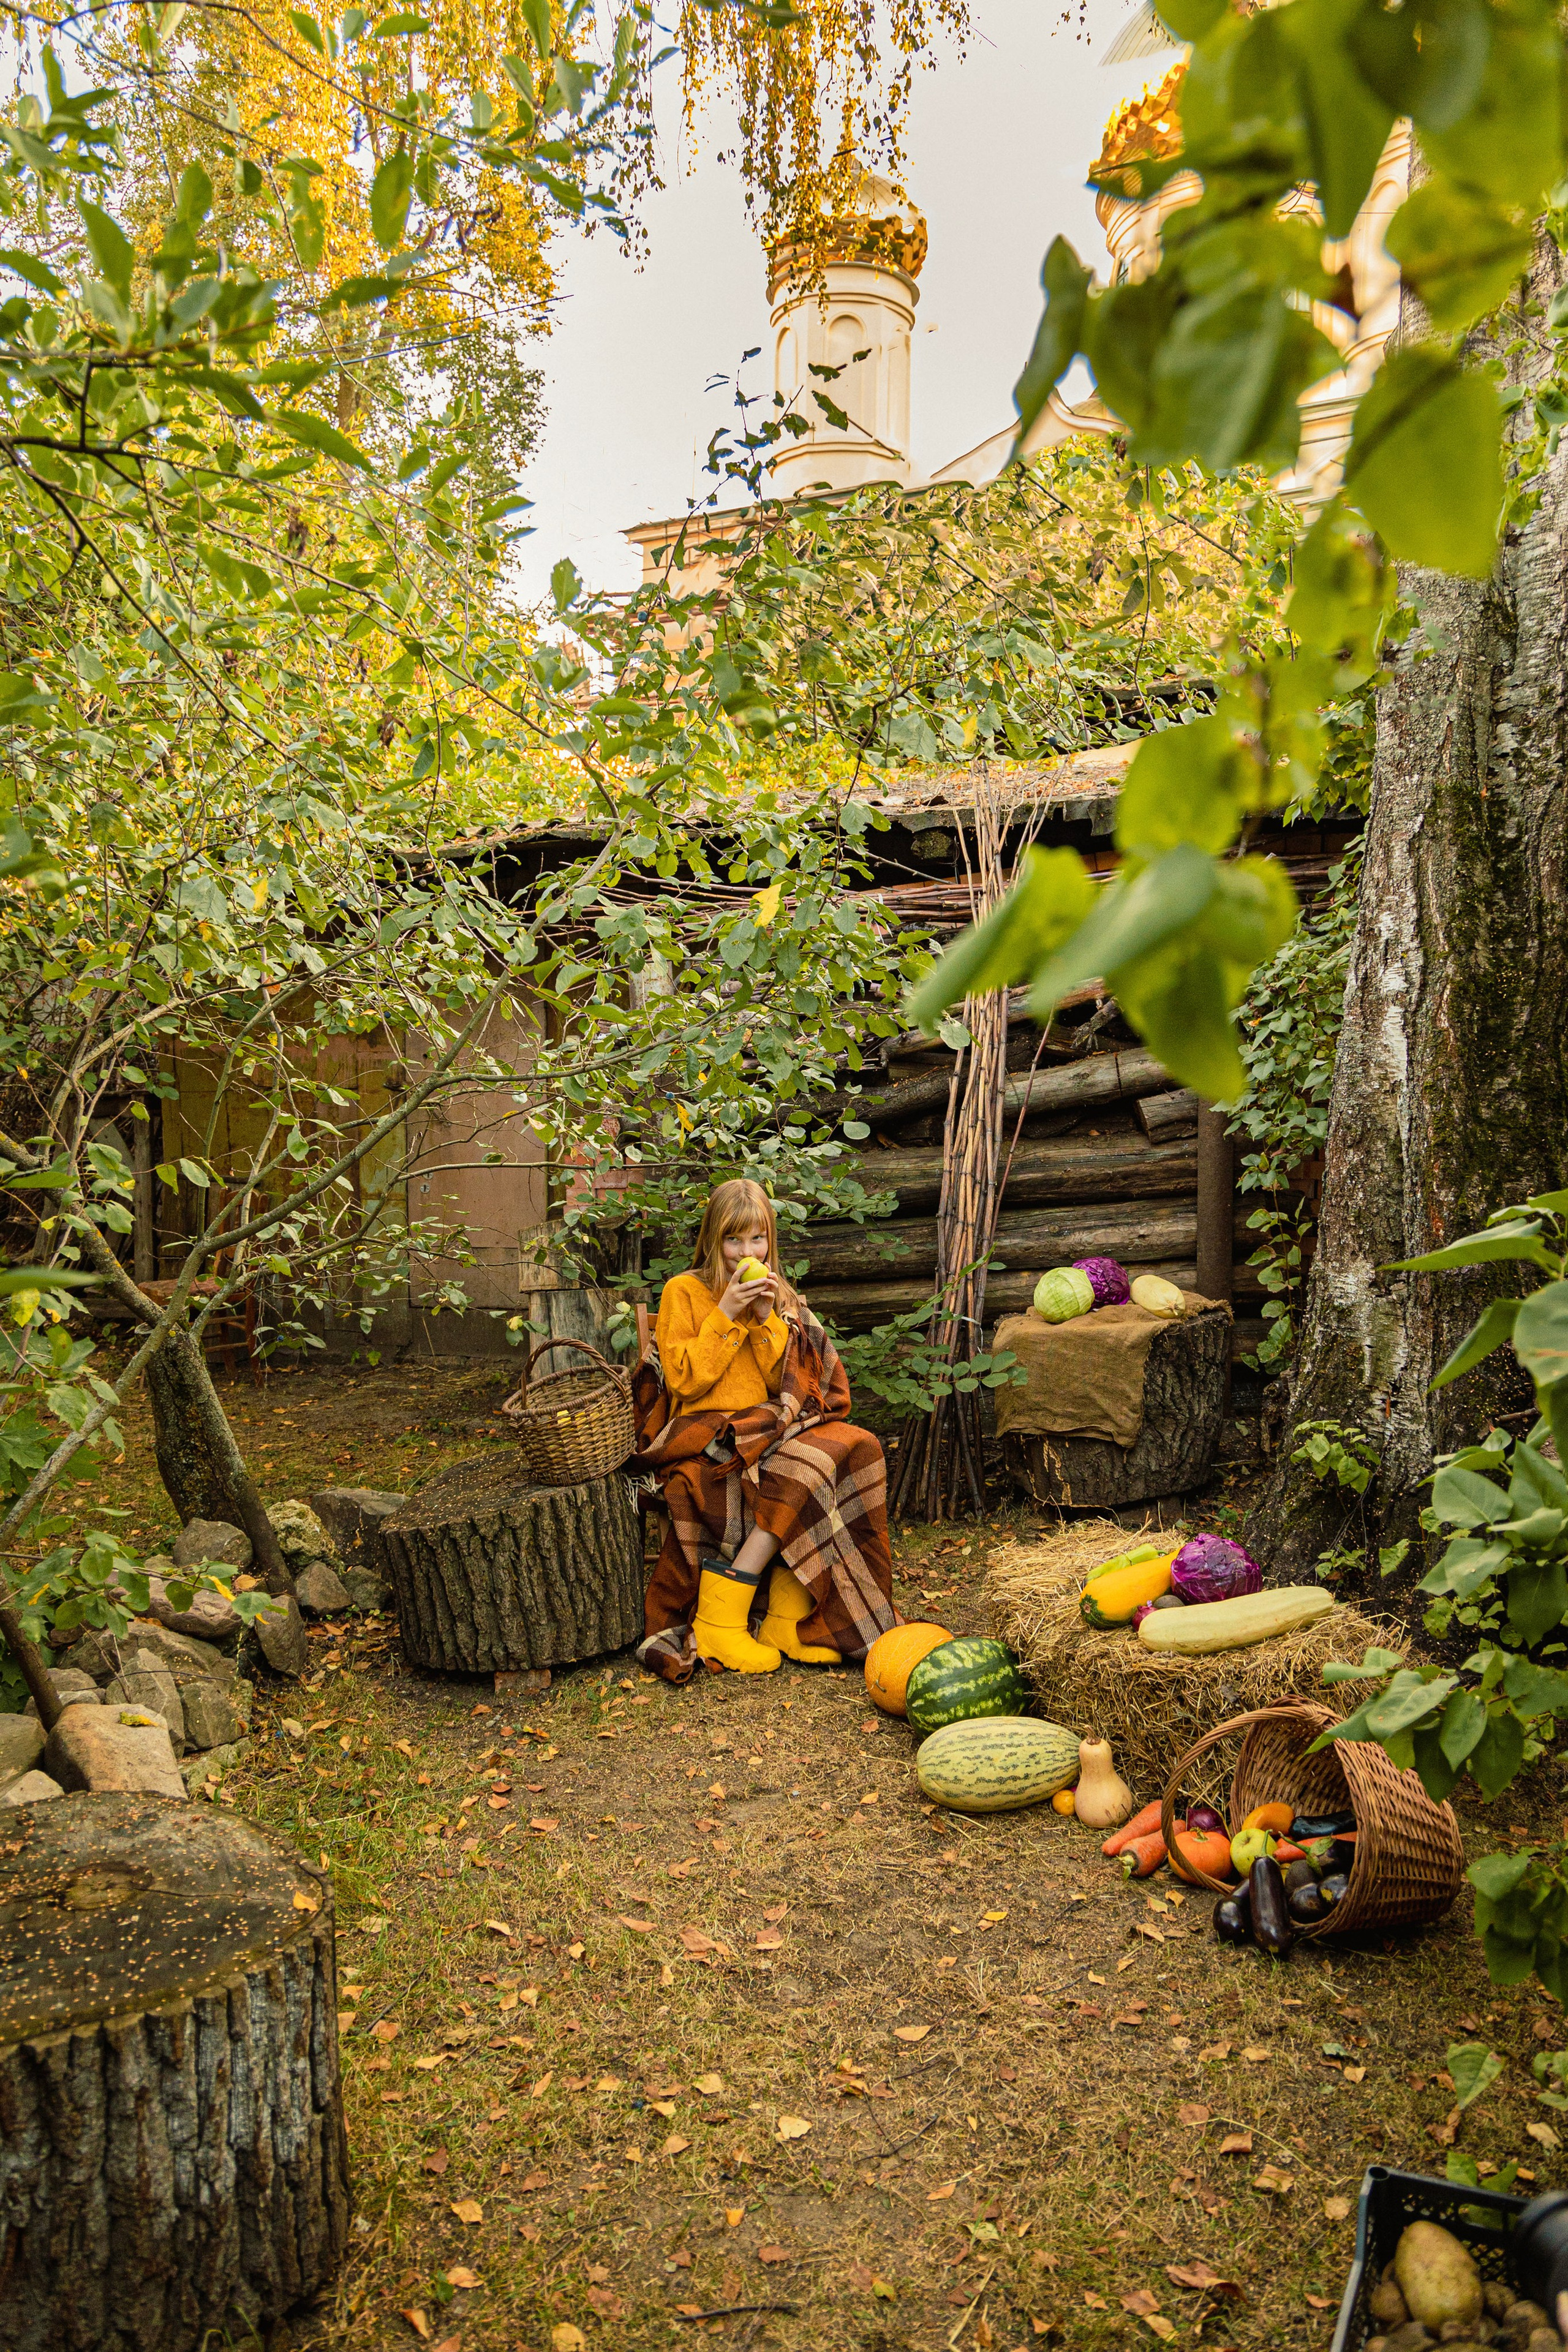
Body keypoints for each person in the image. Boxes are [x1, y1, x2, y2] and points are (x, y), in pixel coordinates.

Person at [633, 1177, 899, 1683]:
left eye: (757, 1239)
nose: (745, 1252)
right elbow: (687, 1379)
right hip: (706, 1435)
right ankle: (719, 1619)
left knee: (858, 1446)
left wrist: (763, 1319)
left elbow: (793, 1384)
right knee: (809, 1470)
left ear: (769, 1242)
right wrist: (728, 1313)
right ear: (713, 1240)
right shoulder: (683, 1293)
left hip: (772, 1426)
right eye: (734, 1240)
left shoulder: (780, 1295)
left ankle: (785, 1618)